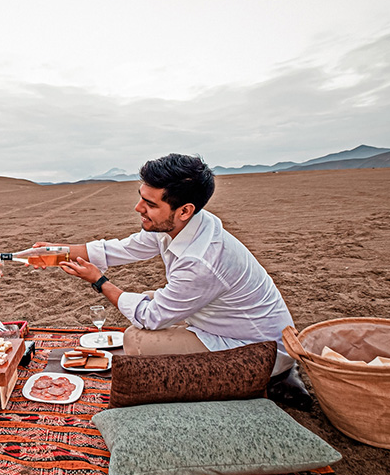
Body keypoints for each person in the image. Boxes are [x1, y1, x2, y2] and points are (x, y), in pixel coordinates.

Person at [37, 153, 312, 410]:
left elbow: (151, 318)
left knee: (136, 340)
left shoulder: (201, 260)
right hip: (227, 323)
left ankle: (269, 380)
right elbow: (122, 249)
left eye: (150, 204)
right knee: (147, 297)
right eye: (141, 197)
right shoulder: (185, 222)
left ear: (184, 210)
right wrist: (55, 251)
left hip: (256, 348)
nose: (138, 208)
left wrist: (99, 281)